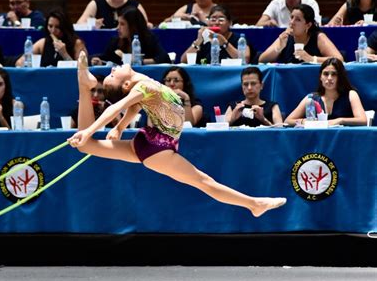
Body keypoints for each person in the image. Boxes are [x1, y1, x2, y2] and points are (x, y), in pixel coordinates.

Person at [68, 51, 287, 217]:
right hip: (157, 149)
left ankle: (83, 84)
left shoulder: (142, 83)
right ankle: (254, 204)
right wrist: (89, 131)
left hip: (151, 141)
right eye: (111, 77)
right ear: (125, 84)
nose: (112, 70)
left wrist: (119, 128)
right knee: (203, 181)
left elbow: (134, 108)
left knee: (87, 146)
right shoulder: (141, 87)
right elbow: (115, 109)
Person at [284, 58, 367, 126]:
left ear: (340, 77)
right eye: (326, 74)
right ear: (320, 77)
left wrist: (340, 120)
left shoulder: (351, 94)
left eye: (334, 74)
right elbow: (288, 121)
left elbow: (363, 120)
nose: (329, 78)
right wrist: (304, 121)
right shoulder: (311, 98)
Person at [259, 4, 342, 64]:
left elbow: (339, 59)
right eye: (291, 17)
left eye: (298, 20)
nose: (291, 22)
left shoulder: (318, 37)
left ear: (308, 25)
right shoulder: (286, 36)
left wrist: (311, 59)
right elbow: (261, 59)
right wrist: (279, 48)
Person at [91, 6, 170, 66]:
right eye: (118, 23)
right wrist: (98, 61)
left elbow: (164, 58)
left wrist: (139, 61)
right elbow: (105, 58)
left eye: (122, 24)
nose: (118, 28)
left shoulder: (149, 39)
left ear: (133, 26)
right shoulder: (115, 41)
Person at [180, 5, 254, 64]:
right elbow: (183, 61)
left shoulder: (239, 39)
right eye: (213, 19)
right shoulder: (205, 39)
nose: (216, 23)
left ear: (230, 23)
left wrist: (225, 43)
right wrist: (198, 41)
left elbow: (245, 60)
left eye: (221, 20)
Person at [15, 9, 87, 67]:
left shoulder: (77, 43)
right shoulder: (42, 43)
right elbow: (20, 62)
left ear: (65, 27)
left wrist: (64, 54)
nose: (53, 31)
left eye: (57, 27)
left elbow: (82, 70)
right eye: (50, 26)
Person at [77, 0, 153, 29]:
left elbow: (146, 25)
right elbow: (79, 25)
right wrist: (92, 24)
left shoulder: (135, 6)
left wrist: (147, 25)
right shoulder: (96, 4)